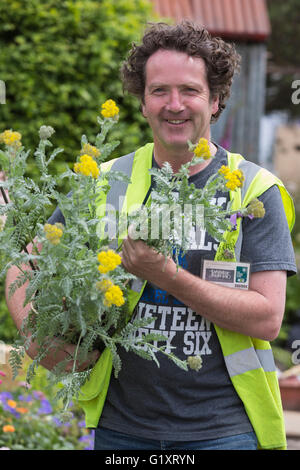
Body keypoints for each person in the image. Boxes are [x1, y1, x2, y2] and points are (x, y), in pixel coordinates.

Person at [6, 21, 297, 450]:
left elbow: (267, 319)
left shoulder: (254, 191)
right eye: (159, 90)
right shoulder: (104, 181)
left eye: (190, 91)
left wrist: (166, 275)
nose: (174, 105)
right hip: (121, 430)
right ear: (142, 102)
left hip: (224, 431)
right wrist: (38, 332)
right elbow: (30, 263)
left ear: (215, 100)